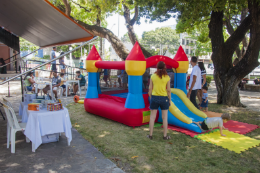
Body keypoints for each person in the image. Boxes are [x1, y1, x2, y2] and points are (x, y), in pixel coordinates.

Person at [148, 61, 171, 140]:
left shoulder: (153, 76)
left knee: (152, 117)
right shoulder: (167, 77)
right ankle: (165, 136)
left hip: (154, 97)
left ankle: (150, 135)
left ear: (157, 67)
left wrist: (151, 96)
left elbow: (150, 88)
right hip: (164, 98)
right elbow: (168, 90)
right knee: (165, 118)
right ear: (164, 67)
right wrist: (170, 100)